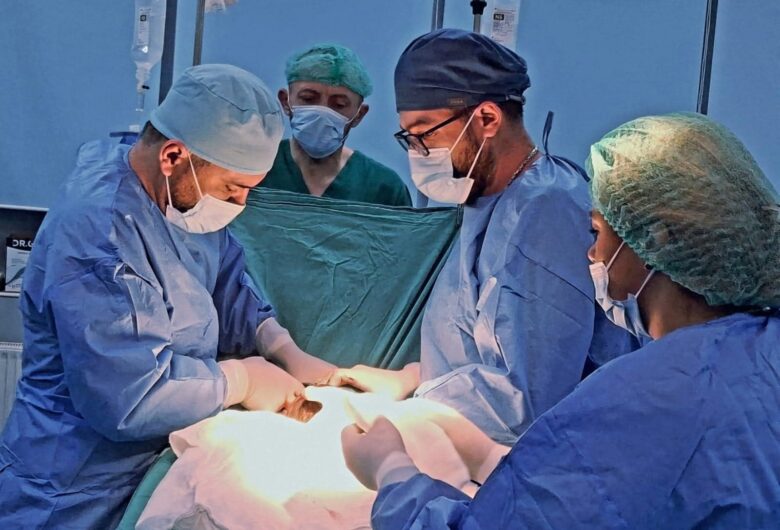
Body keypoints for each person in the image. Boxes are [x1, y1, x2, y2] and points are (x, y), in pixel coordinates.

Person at [341, 112, 780, 528]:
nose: (592, 254)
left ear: (656, 239)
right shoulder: (763, 352)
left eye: (597, 232)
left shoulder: (645, 397)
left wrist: (393, 472)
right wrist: (494, 461)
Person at [0, 64, 334, 528]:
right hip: (74, 486)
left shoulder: (177, 199)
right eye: (232, 188)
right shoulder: (100, 236)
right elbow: (129, 397)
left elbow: (225, 277)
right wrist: (242, 380)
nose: (239, 205)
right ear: (173, 156)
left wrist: (278, 343)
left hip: (145, 465)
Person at [325, 29, 633, 444]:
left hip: (528, 454)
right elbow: (479, 338)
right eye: (407, 138)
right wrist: (412, 377)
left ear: (487, 119)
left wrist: (415, 405)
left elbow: (526, 402)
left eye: (425, 134)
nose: (417, 153)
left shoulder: (546, 211)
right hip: (470, 436)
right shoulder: (485, 198)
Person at [257, 43, 412, 206]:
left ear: (359, 115)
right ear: (285, 101)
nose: (322, 112)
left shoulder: (384, 188)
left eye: (339, 104)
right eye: (308, 99)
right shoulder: (254, 169)